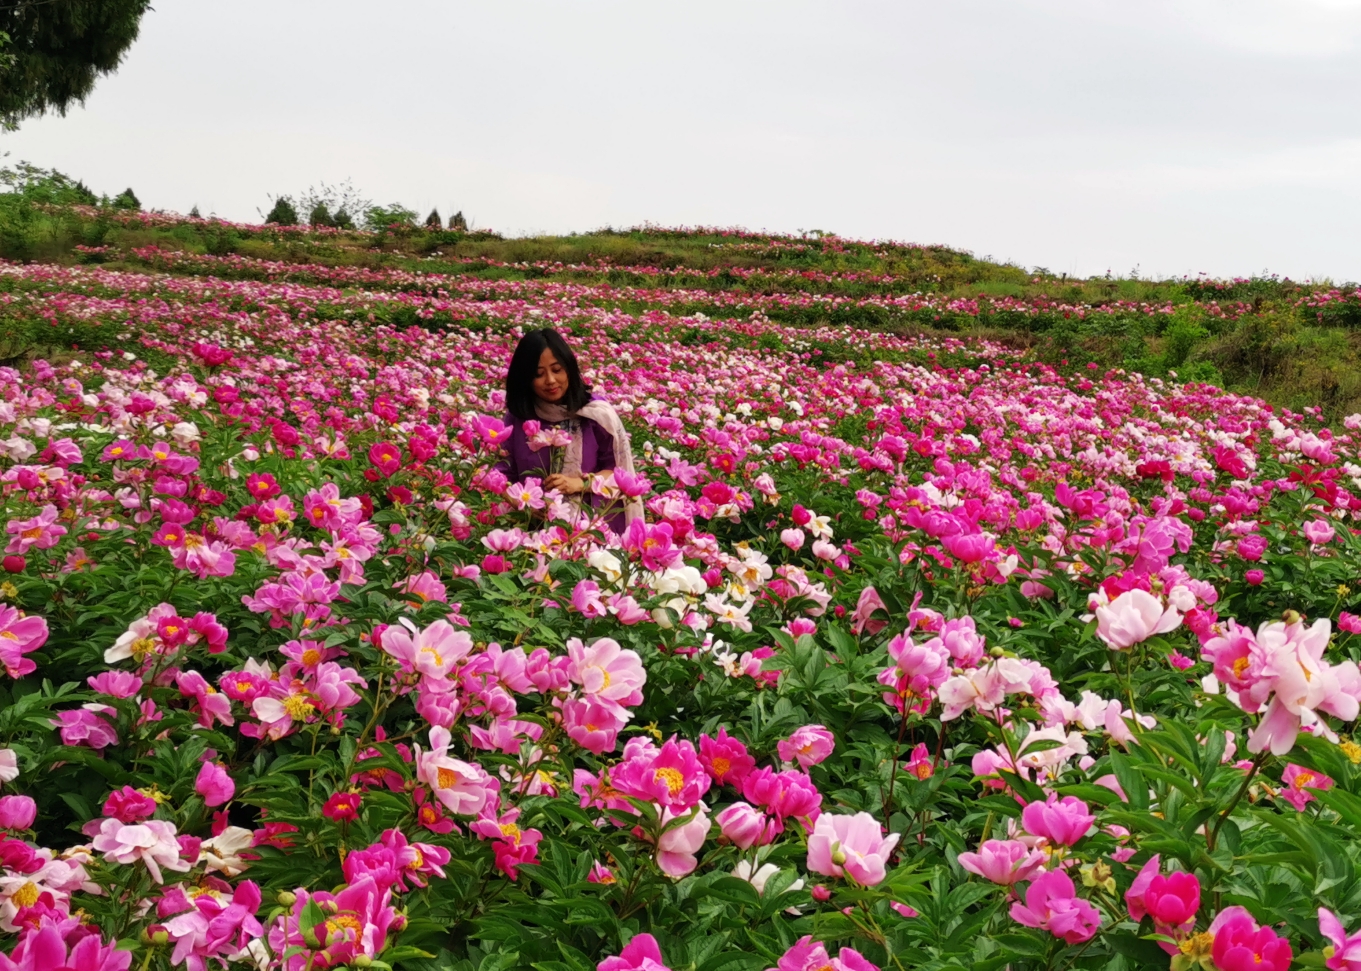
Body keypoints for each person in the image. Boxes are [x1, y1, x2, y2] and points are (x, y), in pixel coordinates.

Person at [495, 328, 641, 533]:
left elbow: (619, 472)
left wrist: (579, 483)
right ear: (525, 379)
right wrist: (521, 501)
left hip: (589, 528)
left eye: (557, 370)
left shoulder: (596, 415)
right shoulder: (519, 419)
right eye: (538, 374)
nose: (551, 381)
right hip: (529, 528)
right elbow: (501, 473)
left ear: (569, 369)